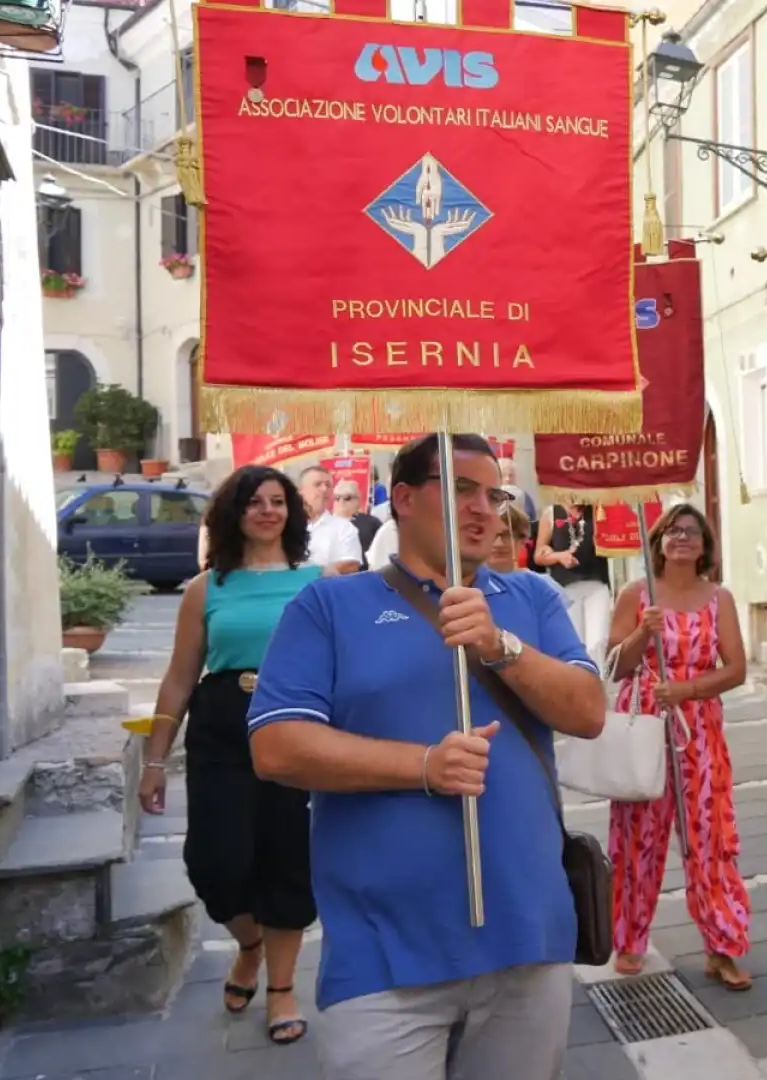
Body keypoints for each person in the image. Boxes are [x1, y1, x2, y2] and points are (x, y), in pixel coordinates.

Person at [246, 434, 606, 1080]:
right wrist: (423, 766)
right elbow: (275, 745)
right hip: (384, 959)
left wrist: (501, 647)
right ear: (403, 499)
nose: (484, 508)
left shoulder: (531, 599)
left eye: (492, 493)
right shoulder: (330, 605)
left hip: (528, 938)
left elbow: (587, 711)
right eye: (461, 488)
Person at [138, 465, 321, 1046]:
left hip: (293, 724)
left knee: (287, 857)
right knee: (215, 864)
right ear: (232, 514)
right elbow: (179, 678)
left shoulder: (315, 583)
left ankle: (283, 988)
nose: (268, 511)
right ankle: (249, 944)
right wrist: (153, 760)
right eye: (254, 502)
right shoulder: (206, 587)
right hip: (220, 727)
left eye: (278, 501)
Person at [604, 504, 752, 987]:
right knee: (637, 838)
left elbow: (736, 668)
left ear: (705, 544)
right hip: (645, 725)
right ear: (659, 541)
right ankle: (628, 938)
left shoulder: (719, 598)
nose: (682, 537)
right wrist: (642, 635)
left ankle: (723, 943)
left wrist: (686, 691)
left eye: (692, 531)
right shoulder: (636, 595)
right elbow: (614, 666)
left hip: (699, 728)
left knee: (709, 838)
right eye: (673, 530)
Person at [535, 501, 611, 665]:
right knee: (574, 641)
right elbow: (539, 555)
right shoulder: (551, 513)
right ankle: (580, 683)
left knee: (598, 641)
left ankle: (597, 684)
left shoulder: (598, 509)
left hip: (596, 584)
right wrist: (559, 557)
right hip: (565, 587)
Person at [298, 466, 366, 575]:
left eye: (328, 485)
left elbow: (351, 563)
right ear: (301, 491)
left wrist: (314, 574)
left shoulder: (344, 528)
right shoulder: (286, 526)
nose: (324, 489)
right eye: (317, 484)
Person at [491, 504, 562, 600]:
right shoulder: (468, 586)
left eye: (507, 535)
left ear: (522, 540)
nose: (498, 543)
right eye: (492, 534)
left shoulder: (544, 586)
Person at [334, 480, 382, 560]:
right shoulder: (327, 524)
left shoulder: (371, 522)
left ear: (357, 500)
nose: (341, 502)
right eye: (337, 498)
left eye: (347, 498)